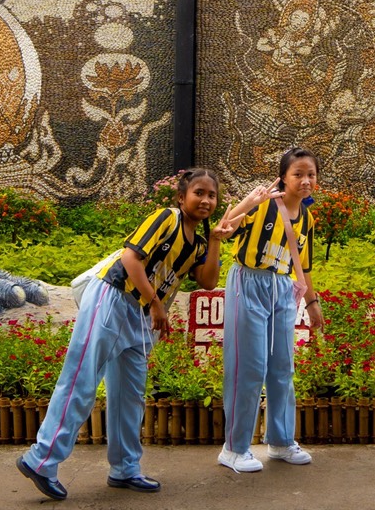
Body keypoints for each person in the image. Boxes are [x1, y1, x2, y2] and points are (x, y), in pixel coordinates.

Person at [17, 169, 229, 500]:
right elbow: (131, 259)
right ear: (181, 196)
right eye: (198, 193)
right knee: (81, 381)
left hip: (141, 316)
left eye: (211, 195)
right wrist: (157, 305)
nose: (205, 200)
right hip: (113, 299)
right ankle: (41, 460)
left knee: (129, 395)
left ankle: (125, 468)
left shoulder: (198, 242)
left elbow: (208, 281)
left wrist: (216, 240)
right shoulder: (166, 218)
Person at [215, 147, 324, 472]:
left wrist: (312, 303)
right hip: (248, 282)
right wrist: (250, 201)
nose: (305, 181)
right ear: (283, 178)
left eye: (311, 175)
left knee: (281, 367)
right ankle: (234, 449)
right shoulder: (264, 206)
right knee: (248, 366)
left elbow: (303, 267)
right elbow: (225, 228)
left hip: (281, 288)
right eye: (298, 174)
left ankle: (280, 441)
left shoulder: (306, 219)